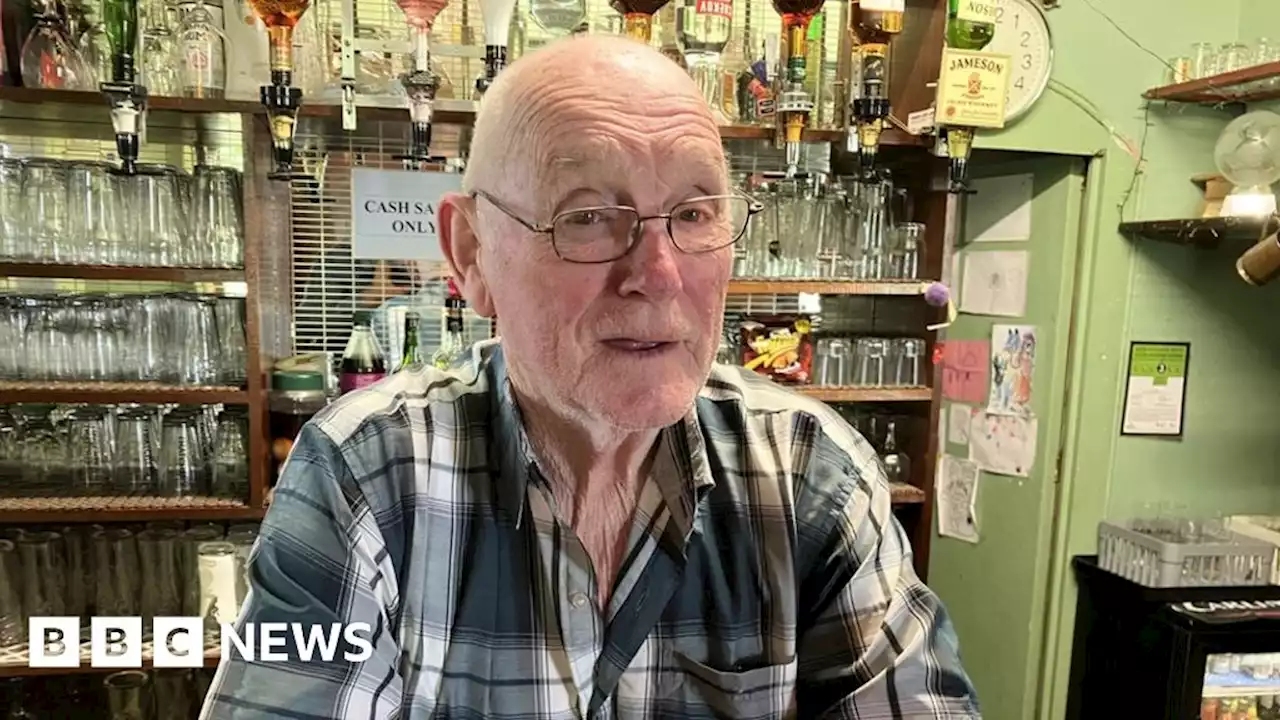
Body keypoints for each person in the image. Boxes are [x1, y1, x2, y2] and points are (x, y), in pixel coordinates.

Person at [199, 34, 980, 719]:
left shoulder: (810, 475)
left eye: (696, 212)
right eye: (586, 216)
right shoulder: (365, 477)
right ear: (470, 253)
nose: (659, 273)